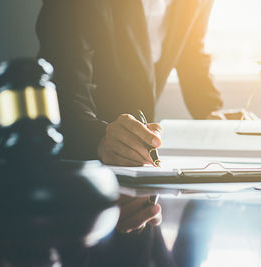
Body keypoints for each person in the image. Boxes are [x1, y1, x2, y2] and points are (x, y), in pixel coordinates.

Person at [36, 0, 246, 265]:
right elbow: (64, 80)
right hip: (77, 174)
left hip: (139, 178)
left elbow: (192, 48)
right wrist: (97, 137)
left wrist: (210, 111)